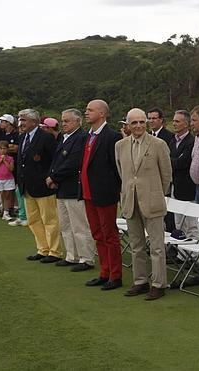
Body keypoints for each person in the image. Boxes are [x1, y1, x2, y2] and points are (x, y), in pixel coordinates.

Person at [116, 108, 172, 300]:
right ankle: (140, 281)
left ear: (146, 123)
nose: (138, 126)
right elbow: (122, 173)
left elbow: (166, 176)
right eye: (134, 123)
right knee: (136, 245)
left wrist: (156, 193)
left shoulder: (158, 144)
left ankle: (158, 284)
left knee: (156, 246)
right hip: (130, 202)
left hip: (153, 202)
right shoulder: (120, 146)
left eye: (142, 122)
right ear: (128, 125)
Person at [81, 99, 123, 291]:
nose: (86, 112)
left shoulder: (111, 136)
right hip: (89, 193)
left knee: (109, 235)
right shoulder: (88, 136)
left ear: (102, 114)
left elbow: (116, 168)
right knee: (97, 234)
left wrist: (115, 190)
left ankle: (115, 275)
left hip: (104, 194)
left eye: (90, 110)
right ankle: (104, 272)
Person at [46, 108, 96, 271]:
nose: (63, 124)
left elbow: (73, 163)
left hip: (74, 187)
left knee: (79, 225)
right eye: (62, 120)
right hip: (61, 188)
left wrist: (54, 177)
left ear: (77, 121)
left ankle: (86, 258)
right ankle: (71, 255)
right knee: (65, 225)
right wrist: (51, 176)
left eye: (67, 121)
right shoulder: (64, 137)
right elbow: (56, 160)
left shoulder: (81, 138)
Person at [17, 109, 62, 263]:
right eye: (20, 120)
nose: (21, 123)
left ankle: (55, 251)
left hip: (43, 186)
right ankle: (43, 249)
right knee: (33, 220)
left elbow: (54, 160)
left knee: (49, 220)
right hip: (26, 186)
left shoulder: (46, 138)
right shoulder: (22, 137)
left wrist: (51, 178)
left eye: (23, 120)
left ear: (34, 122)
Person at [169, 110, 199, 240]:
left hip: (188, 187)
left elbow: (183, 162)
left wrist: (171, 162)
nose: (174, 123)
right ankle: (182, 254)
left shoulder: (191, 142)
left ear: (186, 124)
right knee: (179, 222)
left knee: (190, 223)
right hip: (175, 185)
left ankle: (192, 256)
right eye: (174, 120)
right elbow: (171, 161)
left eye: (177, 121)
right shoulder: (172, 142)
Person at [147, 107, 175, 232]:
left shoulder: (169, 137)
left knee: (167, 217)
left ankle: (169, 248)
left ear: (161, 120)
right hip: (149, 183)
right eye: (149, 118)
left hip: (163, 183)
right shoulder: (147, 137)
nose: (151, 121)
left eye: (154, 118)